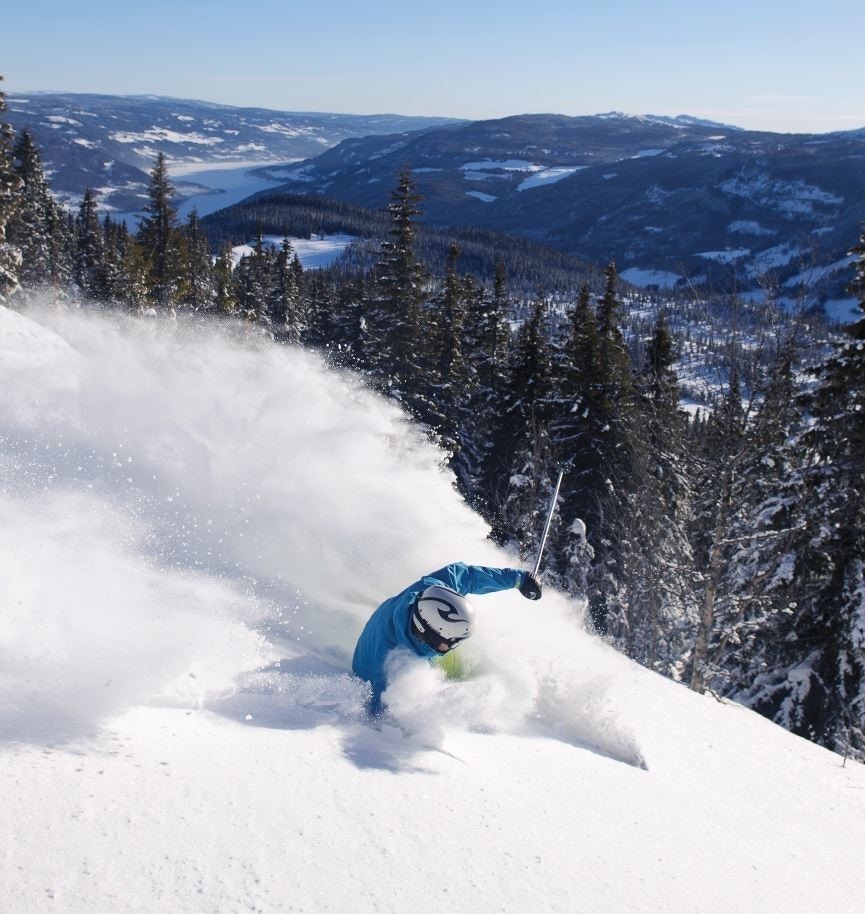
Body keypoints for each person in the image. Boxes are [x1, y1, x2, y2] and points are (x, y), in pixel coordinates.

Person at [352, 562, 542, 714]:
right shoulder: (392, 667)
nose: (451, 647)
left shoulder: (434, 590)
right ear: (429, 633)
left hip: (390, 623)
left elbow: (469, 576)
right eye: (449, 642)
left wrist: (518, 580)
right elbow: (379, 709)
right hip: (366, 666)